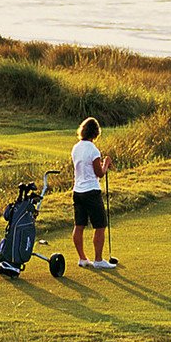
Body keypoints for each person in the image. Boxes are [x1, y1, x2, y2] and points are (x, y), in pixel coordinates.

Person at [68, 115, 117, 269]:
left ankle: (82, 258)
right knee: (100, 225)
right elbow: (100, 173)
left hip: (77, 191)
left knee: (79, 225)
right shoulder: (93, 150)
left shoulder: (76, 147)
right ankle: (98, 260)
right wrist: (106, 163)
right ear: (96, 133)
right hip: (91, 191)